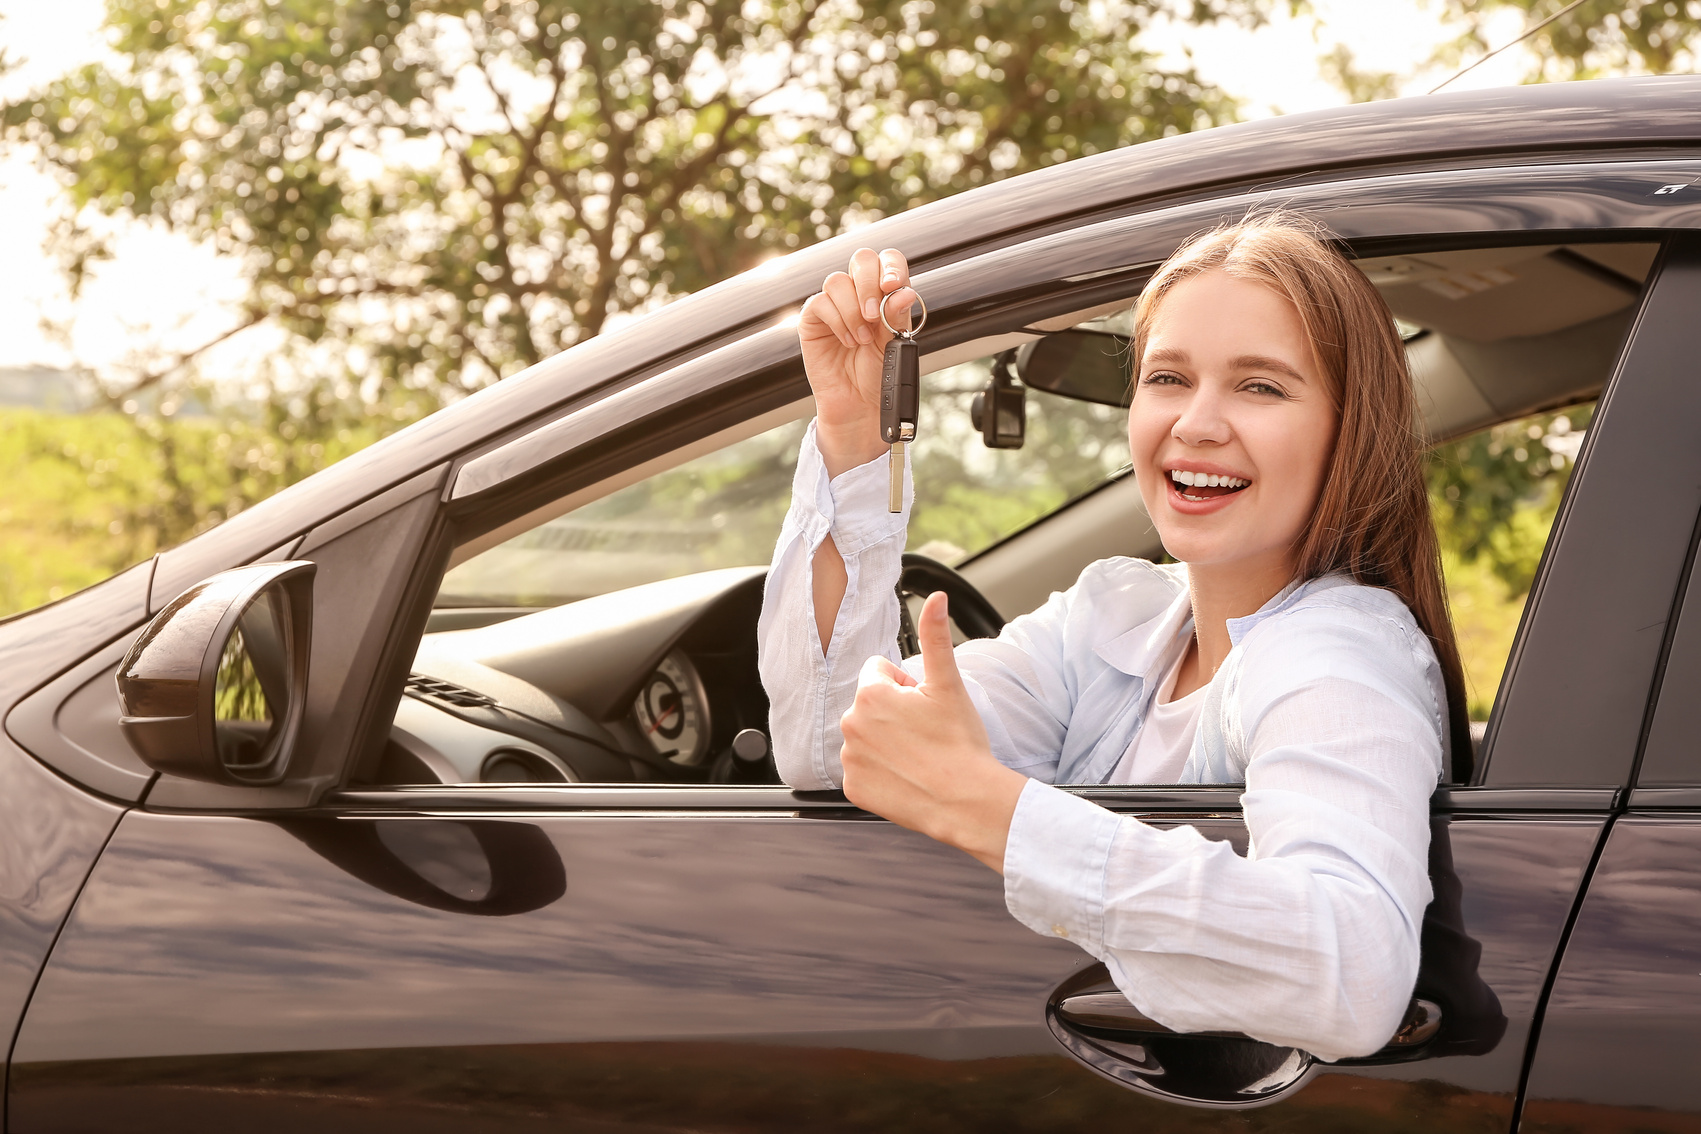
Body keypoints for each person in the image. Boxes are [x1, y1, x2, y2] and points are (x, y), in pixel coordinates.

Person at [755, 215, 1469, 1062]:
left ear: (1348, 429)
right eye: (1168, 377)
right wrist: (850, 434)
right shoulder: (1114, 620)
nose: (1196, 424)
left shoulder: (1336, 654)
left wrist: (989, 808)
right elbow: (839, 756)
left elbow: (1352, 974)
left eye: (1260, 387)